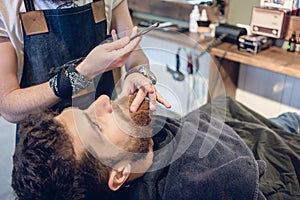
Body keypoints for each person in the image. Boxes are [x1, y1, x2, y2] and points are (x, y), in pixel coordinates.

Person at [12, 94, 268, 200]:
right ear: (120, 173)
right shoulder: (201, 181)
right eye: (96, 125)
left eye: (85, 109)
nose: (102, 99)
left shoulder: (130, 153)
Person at [0, 0, 170, 124]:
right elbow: (8, 107)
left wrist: (137, 73)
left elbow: (135, 56)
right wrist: (81, 73)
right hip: (43, 147)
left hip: (103, 129)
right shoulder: (6, 8)